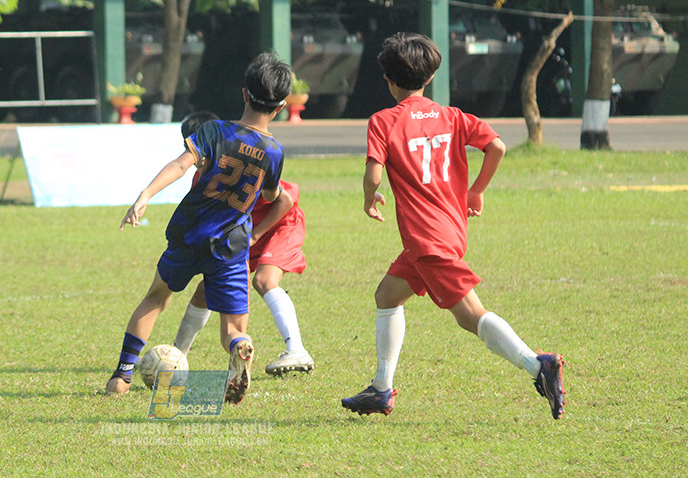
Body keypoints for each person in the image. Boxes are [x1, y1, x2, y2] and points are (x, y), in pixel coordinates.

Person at [341, 32, 566, 420]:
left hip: (427, 241)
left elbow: (373, 174)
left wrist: (368, 198)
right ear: (428, 78)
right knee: (387, 295)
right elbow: (497, 146)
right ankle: (381, 388)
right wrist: (475, 192)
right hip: (446, 231)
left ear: (389, 80)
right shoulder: (452, 116)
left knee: (470, 317)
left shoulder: (383, 121)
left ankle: (538, 365)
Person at [106, 52, 294, 404]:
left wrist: (144, 195)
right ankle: (241, 348)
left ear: (243, 94)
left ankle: (121, 376)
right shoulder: (274, 152)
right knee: (234, 329)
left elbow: (180, 165)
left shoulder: (214, 130)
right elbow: (272, 194)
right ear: (282, 106)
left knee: (156, 297)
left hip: (190, 234)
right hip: (231, 245)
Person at [172, 111, 314, 376]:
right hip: (242, 234)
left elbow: (286, 201)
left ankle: (297, 350)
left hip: (279, 224)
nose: (195, 159)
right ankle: (176, 356)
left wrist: (258, 234)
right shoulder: (200, 178)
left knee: (264, 280)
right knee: (207, 287)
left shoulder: (246, 161)